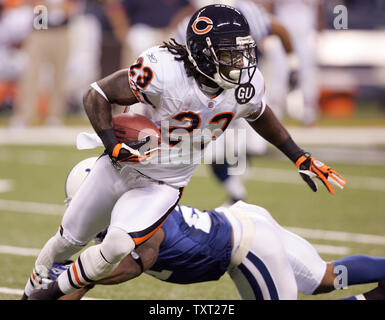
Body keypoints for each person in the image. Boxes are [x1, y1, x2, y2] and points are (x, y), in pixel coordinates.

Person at [23, 5, 346, 300]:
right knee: (68, 241)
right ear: (204, 54)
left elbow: (259, 113)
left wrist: (298, 156)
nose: (242, 63)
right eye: (231, 54)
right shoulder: (164, 70)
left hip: (164, 184)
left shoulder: (246, 85)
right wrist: (113, 145)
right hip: (121, 167)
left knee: (119, 244)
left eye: (243, 53)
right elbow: (97, 94)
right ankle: (32, 289)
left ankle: (44, 296)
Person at [32, 157, 385, 300]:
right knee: (325, 279)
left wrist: (71, 278)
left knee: (321, 280)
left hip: (247, 249)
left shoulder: (136, 227)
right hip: (244, 223)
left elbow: (135, 259)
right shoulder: (133, 207)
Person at [174, 0, 301, 205]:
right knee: (212, 154)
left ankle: (238, 179)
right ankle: (236, 193)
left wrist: (293, 65)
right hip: (208, 94)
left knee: (251, 145)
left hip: (243, 88)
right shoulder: (189, 26)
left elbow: (280, 30)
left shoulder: (245, 14)